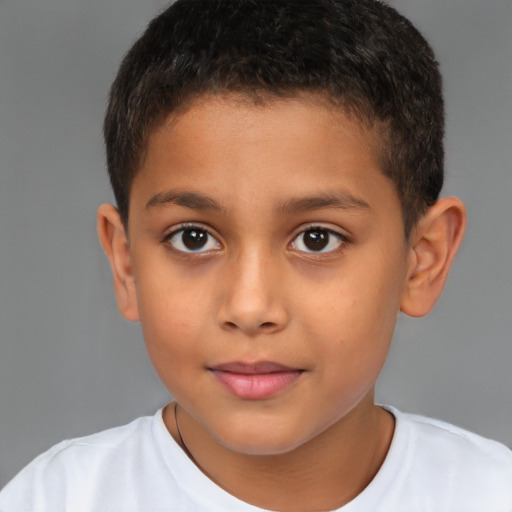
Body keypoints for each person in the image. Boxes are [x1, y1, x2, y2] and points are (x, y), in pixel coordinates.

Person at [1, 0, 510, 509]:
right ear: (127, 263)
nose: (249, 308)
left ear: (422, 260)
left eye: (317, 238)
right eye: (193, 238)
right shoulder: (54, 499)